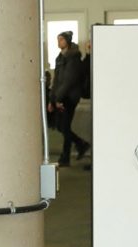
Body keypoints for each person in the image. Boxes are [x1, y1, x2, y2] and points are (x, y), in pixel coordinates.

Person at [48, 31, 90, 167]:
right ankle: (80, 144)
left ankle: (66, 156)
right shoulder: (59, 58)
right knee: (61, 127)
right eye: (57, 39)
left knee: (64, 126)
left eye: (61, 40)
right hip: (61, 97)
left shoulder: (74, 58)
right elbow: (57, 80)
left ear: (67, 41)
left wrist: (58, 99)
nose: (58, 42)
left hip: (70, 97)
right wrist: (52, 99)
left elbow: (68, 81)